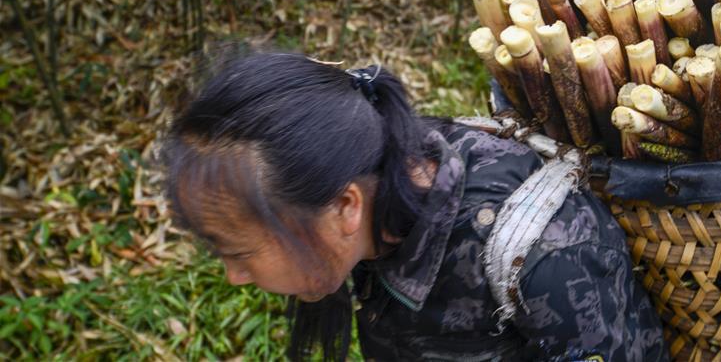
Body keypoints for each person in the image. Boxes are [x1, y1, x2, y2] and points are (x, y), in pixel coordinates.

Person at [161, 49, 668, 361]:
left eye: (239, 252)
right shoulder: (367, 180)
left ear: (345, 207)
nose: (234, 276)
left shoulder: (546, 260)